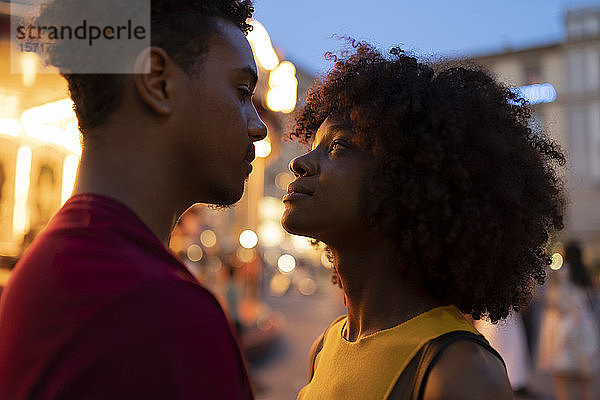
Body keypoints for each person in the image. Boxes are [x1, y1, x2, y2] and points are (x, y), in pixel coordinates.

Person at [0, 0, 267, 399]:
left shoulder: (57, 265)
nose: (258, 127)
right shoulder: (160, 311)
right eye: (242, 92)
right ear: (157, 81)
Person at [281, 42, 566, 400]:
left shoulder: (461, 374)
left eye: (338, 146)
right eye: (313, 145)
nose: (301, 162)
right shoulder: (325, 347)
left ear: (406, 180)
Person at [538, 242, 599, 400]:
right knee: (581, 375)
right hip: (583, 324)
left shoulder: (561, 273)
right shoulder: (583, 272)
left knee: (560, 372)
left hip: (562, 323)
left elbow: (553, 298)